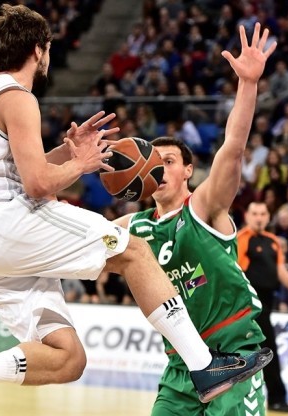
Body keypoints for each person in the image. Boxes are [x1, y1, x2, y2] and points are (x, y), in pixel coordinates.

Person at [0, 6, 271, 416]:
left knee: (68, 358)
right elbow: (38, 184)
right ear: (38, 49)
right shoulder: (18, 96)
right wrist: (81, 164)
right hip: (8, 222)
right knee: (133, 252)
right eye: (48, 50)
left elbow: (14, 167)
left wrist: (66, 151)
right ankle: (205, 367)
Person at [115, 23, 277, 415]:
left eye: (168, 162)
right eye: (154, 164)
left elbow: (233, 149)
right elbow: (74, 235)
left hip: (234, 357)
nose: (160, 170)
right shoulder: (133, 228)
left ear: (188, 171)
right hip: (182, 369)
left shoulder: (203, 207)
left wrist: (248, 85)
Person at [237, 201, 288, 413]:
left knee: (266, 351)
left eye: (263, 214)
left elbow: (280, 271)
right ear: (247, 216)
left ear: (267, 216)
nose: (259, 217)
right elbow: (235, 273)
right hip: (248, 307)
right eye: (254, 213)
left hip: (266, 304)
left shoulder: (273, 241)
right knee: (265, 351)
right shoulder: (242, 240)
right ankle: (275, 398)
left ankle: (275, 398)